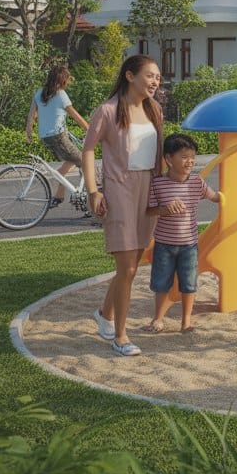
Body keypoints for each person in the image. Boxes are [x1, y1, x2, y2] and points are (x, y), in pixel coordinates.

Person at [82, 54, 164, 357]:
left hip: (148, 189)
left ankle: (104, 314)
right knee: (128, 266)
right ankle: (120, 335)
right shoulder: (107, 110)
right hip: (119, 191)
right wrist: (94, 191)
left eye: (158, 77)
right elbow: (88, 150)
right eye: (150, 76)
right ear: (130, 76)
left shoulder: (153, 109)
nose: (155, 81)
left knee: (130, 266)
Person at [141, 133, 220, 335]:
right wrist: (163, 210)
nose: (190, 161)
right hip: (164, 245)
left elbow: (215, 197)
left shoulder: (196, 182)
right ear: (168, 159)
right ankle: (158, 319)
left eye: (192, 157)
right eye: (184, 157)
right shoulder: (157, 184)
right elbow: (148, 210)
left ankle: (186, 322)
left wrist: (228, 196)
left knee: (189, 284)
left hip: (189, 245)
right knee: (161, 283)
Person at [25, 64, 89, 207]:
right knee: (85, 162)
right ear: (62, 80)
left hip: (46, 137)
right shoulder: (60, 94)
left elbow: (31, 117)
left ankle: (59, 197)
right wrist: (91, 131)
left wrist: (29, 135)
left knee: (70, 161)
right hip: (59, 137)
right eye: (67, 79)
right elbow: (76, 116)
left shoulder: (39, 93)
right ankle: (91, 201)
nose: (69, 82)